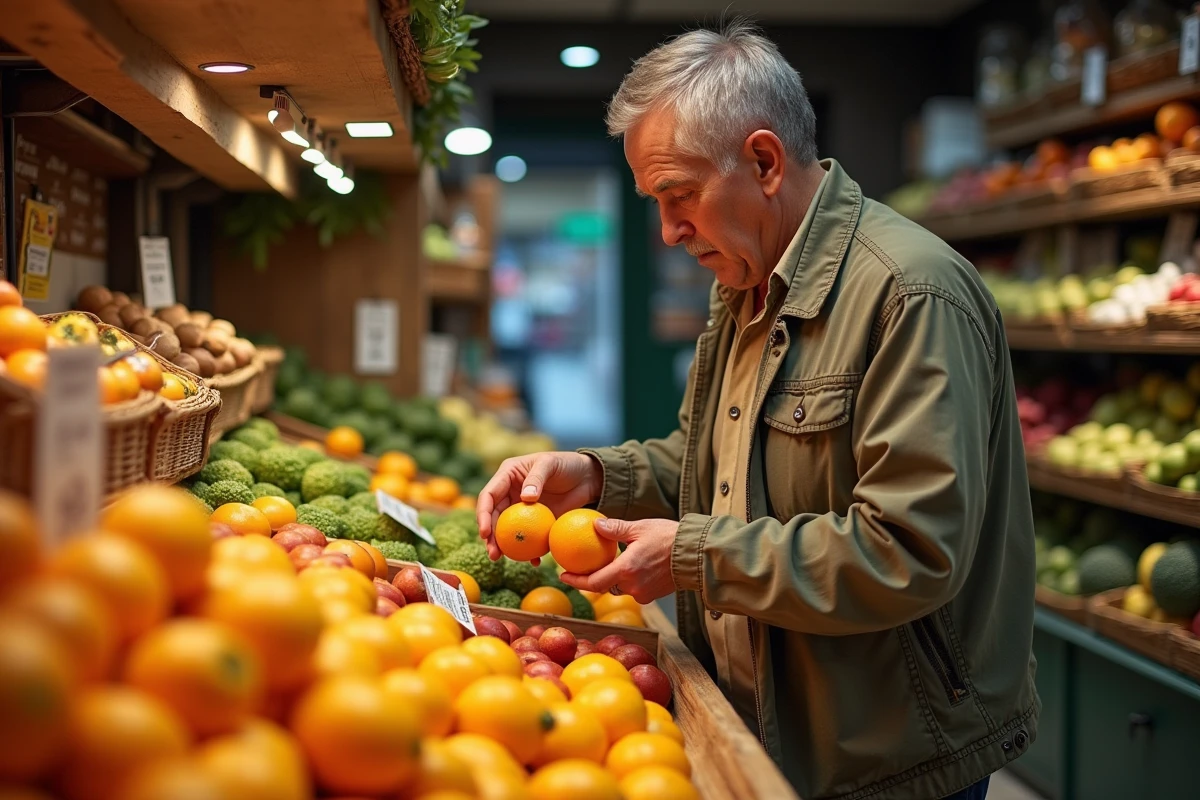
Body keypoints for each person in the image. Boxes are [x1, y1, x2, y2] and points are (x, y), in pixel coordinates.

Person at [477, 20, 1038, 800]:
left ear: (765, 162)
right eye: (656, 202)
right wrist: (597, 475)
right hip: (770, 729)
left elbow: (911, 551)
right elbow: (709, 463)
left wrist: (694, 556)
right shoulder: (745, 285)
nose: (668, 231)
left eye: (679, 196)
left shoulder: (911, 294)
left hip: (890, 757)